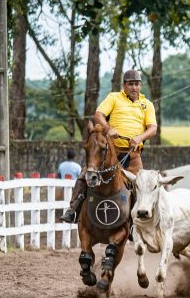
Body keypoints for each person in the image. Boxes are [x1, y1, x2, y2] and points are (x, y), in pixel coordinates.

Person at [59, 69, 157, 223]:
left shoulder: (147, 105)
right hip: (111, 151)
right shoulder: (114, 97)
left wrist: (139, 138)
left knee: (142, 184)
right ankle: (73, 210)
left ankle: (138, 223)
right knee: (86, 173)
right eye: (130, 84)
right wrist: (108, 129)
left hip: (133, 155)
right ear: (124, 85)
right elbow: (98, 115)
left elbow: (152, 128)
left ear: (140, 85)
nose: (134, 88)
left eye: (137, 84)